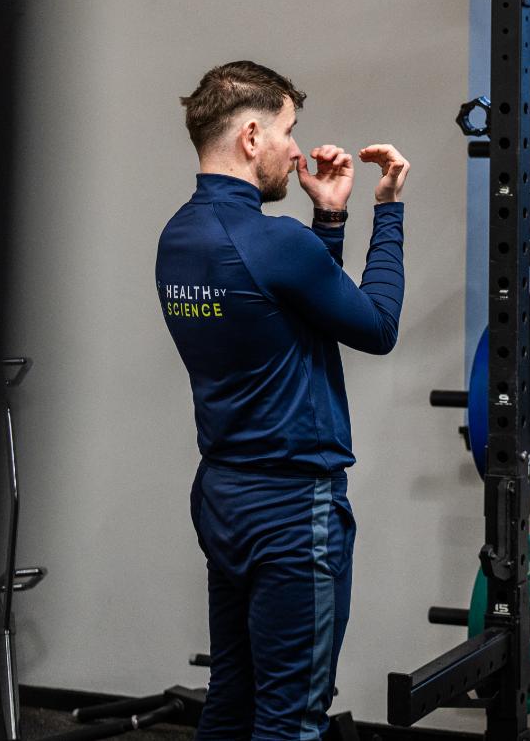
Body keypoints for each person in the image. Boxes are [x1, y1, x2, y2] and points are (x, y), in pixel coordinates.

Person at [156, 60, 409, 739]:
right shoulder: (275, 242)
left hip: (224, 497)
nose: (296, 149)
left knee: (232, 699)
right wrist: (386, 209)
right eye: (288, 131)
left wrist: (327, 218)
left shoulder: (178, 240)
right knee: (291, 718)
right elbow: (376, 325)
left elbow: (287, 316)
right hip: (295, 512)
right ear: (249, 136)